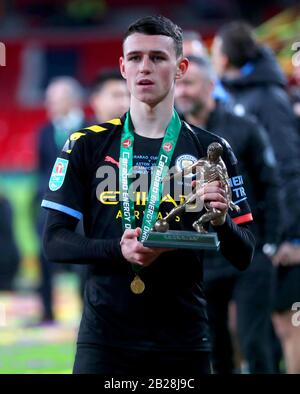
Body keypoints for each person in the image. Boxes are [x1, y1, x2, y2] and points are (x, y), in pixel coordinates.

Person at [41, 15, 255, 375]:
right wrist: (117, 249)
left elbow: (245, 252)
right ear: (123, 67)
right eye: (136, 58)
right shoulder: (86, 145)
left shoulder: (211, 148)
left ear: (180, 68)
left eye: (157, 58)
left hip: (185, 339)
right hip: (104, 341)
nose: (145, 67)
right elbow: (54, 242)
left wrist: (220, 222)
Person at [175, 55, 282, 373]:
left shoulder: (243, 128)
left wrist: (270, 244)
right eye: (178, 85)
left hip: (247, 252)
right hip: (202, 259)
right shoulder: (173, 138)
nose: (182, 92)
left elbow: (271, 185)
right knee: (214, 348)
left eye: (190, 84)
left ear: (211, 85)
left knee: (254, 343)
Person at [211, 21, 300, 374]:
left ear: (227, 56)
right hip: (255, 234)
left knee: (287, 324)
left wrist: (291, 235)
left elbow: (288, 167)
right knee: (251, 327)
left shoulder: (265, 98)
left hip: (281, 233)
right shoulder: (241, 95)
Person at [36, 76, 88, 323]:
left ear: (71, 99)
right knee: (43, 256)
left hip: (81, 206)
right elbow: (42, 168)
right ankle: (47, 312)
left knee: (83, 259)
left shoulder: (91, 128)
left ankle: (85, 311)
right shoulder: (44, 132)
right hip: (50, 205)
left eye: (53, 98)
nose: (48, 104)